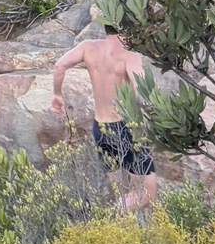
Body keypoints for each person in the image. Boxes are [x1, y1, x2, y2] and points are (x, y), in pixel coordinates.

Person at [50, 28, 158, 210]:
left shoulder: (88, 47)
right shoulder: (129, 56)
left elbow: (59, 65)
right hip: (125, 128)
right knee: (148, 195)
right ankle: (113, 220)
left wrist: (57, 94)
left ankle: (120, 230)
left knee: (123, 191)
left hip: (100, 128)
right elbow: (142, 89)